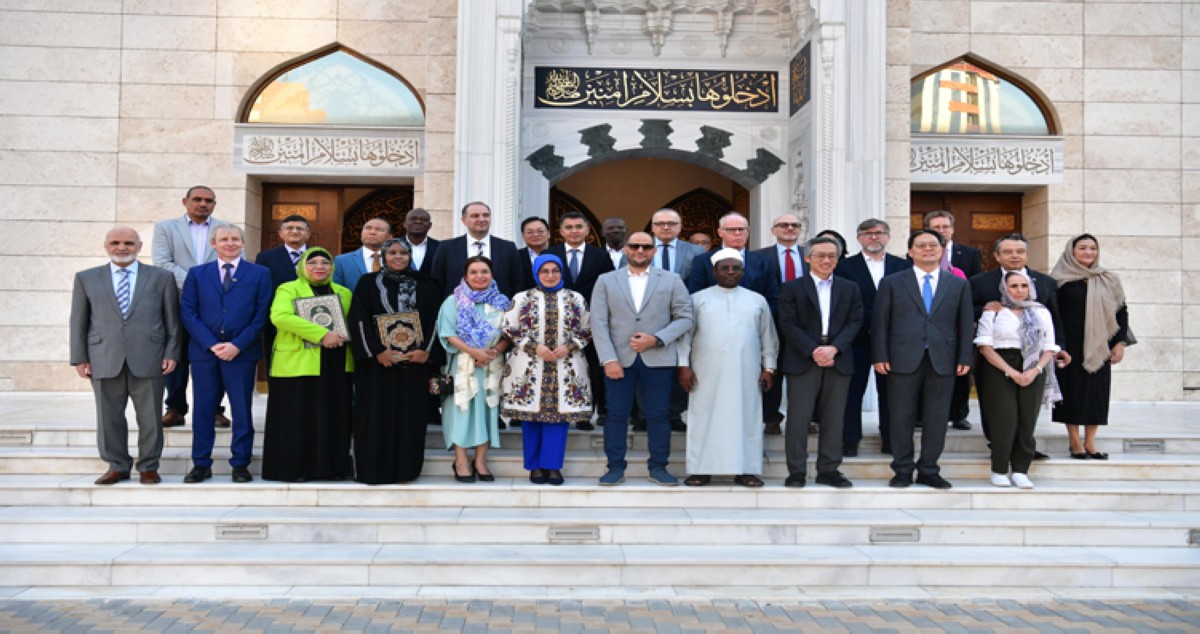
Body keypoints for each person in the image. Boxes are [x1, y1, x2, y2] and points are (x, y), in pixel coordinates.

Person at [70, 227, 181, 486]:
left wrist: (171, 352)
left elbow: (172, 322)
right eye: (116, 243)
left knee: (151, 417)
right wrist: (79, 357)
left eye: (129, 243)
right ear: (106, 245)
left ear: (139, 246)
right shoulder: (86, 278)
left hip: (150, 357)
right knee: (108, 416)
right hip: (103, 357)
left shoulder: (161, 277)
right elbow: (78, 321)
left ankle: (149, 466)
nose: (122, 247)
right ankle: (117, 465)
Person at [873, 229, 973, 490]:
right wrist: (880, 355)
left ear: (941, 250)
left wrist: (965, 357)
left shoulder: (958, 284)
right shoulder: (892, 282)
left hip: (944, 359)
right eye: (921, 245)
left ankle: (929, 468)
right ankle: (903, 469)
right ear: (910, 252)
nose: (928, 249)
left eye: (933, 245)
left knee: (937, 417)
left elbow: (965, 323)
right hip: (901, 358)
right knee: (900, 416)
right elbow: (880, 322)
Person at [591, 232, 694, 486]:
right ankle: (615, 467)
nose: (640, 250)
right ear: (626, 249)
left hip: (658, 358)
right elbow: (598, 322)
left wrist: (656, 339)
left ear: (654, 251)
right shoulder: (606, 280)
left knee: (659, 414)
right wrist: (608, 359)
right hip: (619, 360)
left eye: (646, 246)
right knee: (616, 414)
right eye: (635, 246)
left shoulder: (671, 279)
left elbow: (685, 317)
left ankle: (658, 466)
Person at [179, 225, 272, 483]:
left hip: (241, 353)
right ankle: (201, 463)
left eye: (235, 239)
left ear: (243, 243)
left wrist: (237, 345)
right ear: (213, 244)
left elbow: (261, 314)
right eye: (224, 239)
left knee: (242, 408)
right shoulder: (197, 274)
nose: (229, 243)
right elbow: (188, 312)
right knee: (203, 409)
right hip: (204, 353)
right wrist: (211, 344)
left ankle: (240, 463)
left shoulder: (260, 273)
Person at [677, 248, 778, 488]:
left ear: (743, 272)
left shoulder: (757, 300)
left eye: (735, 268)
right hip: (704, 372)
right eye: (725, 268)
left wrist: (769, 368)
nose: (730, 272)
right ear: (714, 271)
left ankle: (746, 470)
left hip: (747, 372)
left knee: (747, 418)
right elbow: (685, 338)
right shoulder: (697, 299)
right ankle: (701, 469)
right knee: (703, 417)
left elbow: (768, 338)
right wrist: (683, 366)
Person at [349, 238, 442, 484]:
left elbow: (437, 321)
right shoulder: (368, 283)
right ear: (383, 256)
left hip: (414, 366)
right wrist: (377, 351)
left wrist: (426, 352)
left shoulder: (428, 284)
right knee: (375, 418)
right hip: (378, 367)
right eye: (392, 253)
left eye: (403, 253)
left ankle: (406, 470)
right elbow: (359, 319)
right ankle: (373, 471)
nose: (398, 257)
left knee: (409, 418)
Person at [970, 232, 1069, 459]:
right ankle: (998, 444)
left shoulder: (1046, 283)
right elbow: (967, 311)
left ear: (1027, 254)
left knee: (1028, 406)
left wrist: (1059, 346)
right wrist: (985, 308)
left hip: (1034, 355)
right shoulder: (979, 282)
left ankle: (1025, 448)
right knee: (995, 404)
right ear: (997, 256)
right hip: (993, 355)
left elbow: (1054, 316)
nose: (1014, 256)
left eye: (1019, 251)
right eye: (1007, 251)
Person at [262, 247, 354, 482]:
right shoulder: (289, 288)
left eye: (326, 262)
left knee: (331, 417)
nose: (319, 267)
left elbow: (352, 321)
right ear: (303, 266)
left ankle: (330, 468)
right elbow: (280, 316)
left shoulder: (343, 292)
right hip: (297, 363)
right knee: (297, 418)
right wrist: (322, 334)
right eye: (313, 262)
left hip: (335, 362)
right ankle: (294, 469)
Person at [778, 236, 863, 488]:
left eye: (832, 256)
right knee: (798, 418)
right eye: (820, 255)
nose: (827, 260)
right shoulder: (792, 288)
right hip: (803, 359)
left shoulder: (850, 288)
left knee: (834, 418)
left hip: (839, 359)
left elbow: (855, 322)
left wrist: (834, 348)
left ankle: (828, 470)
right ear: (808, 258)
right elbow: (787, 324)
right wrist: (814, 349)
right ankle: (796, 471)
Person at [501, 254, 592, 485]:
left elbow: (587, 328)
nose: (550, 275)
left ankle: (552, 467)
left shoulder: (576, 298)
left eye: (555, 271)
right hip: (529, 365)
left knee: (558, 418)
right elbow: (509, 327)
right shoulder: (521, 298)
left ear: (562, 273)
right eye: (545, 271)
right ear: (536, 273)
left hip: (566, 364)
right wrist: (535, 347)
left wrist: (568, 346)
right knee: (531, 417)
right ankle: (534, 466)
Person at [151, 185, 230, 428]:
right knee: (176, 353)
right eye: (197, 199)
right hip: (176, 300)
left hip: (215, 305)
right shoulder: (166, 227)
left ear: (214, 204)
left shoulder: (225, 229)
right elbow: (163, 262)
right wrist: (197, 284)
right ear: (185, 201)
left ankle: (214, 409)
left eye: (209, 200)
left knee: (213, 354)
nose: (203, 204)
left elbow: (230, 259)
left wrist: (207, 289)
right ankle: (175, 408)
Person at [1050, 234, 1135, 460]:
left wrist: (1120, 343)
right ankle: (1074, 441)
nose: (1088, 252)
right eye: (1082, 248)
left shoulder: (1108, 278)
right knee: (1071, 392)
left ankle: (1090, 442)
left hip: (1101, 345)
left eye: (1092, 248)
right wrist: (1057, 346)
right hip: (1069, 347)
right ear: (1072, 251)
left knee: (1096, 393)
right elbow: (1052, 314)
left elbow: (1121, 311)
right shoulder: (1059, 279)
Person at [975, 271, 1060, 489]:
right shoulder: (993, 311)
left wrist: (1034, 370)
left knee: (1026, 421)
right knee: (1004, 420)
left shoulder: (1040, 311)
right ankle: (1000, 469)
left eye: (1023, 285)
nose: (1019, 290)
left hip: (1034, 365)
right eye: (1014, 286)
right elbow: (985, 347)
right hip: (999, 366)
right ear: (1005, 288)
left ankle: (1021, 470)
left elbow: (1049, 345)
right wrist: (1011, 372)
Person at [836, 219, 908, 457]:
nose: (874, 237)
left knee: (891, 392)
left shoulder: (903, 266)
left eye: (879, 233)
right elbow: (844, 303)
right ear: (859, 238)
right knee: (852, 391)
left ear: (888, 236)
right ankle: (849, 438)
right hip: (857, 338)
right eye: (868, 233)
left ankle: (890, 438)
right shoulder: (844, 266)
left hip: (894, 341)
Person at [438, 256, 512, 483]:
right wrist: (475, 352)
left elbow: (510, 333)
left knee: (487, 412)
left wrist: (495, 351)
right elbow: (448, 333)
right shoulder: (453, 301)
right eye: (474, 272)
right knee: (461, 410)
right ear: (465, 276)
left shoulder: (502, 302)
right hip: (462, 366)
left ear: (492, 275)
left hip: (491, 366)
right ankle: (460, 460)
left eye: (484, 272)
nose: (480, 276)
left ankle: (480, 460)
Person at [547, 211, 614, 430]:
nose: (574, 231)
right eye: (569, 227)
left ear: (587, 230)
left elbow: (608, 288)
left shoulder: (601, 256)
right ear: (561, 231)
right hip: (556, 321)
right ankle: (561, 409)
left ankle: (587, 413)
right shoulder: (551, 253)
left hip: (591, 320)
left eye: (578, 227)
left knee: (591, 368)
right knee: (562, 367)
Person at [924, 211, 983, 431]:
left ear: (952, 229)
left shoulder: (968, 254)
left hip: (957, 323)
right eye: (936, 227)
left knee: (960, 371)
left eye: (945, 227)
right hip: (928, 323)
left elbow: (975, 285)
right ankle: (923, 415)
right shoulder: (918, 252)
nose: (941, 231)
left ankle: (959, 414)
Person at [754, 213, 807, 436]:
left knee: (803, 374)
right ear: (773, 229)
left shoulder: (810, 255)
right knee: (770, 370)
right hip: (772, 321)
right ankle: (771, 418)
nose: (789, 228)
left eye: (794, 225)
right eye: (783, 225)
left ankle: (805, 418)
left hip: (805, 324)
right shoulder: (759, 257)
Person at [687, 213, 779, 314]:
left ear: (747, 232)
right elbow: (695, 296)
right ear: (720, 232)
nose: (737, 233)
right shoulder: (703, 261)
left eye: (741, 229)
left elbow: (772, 298)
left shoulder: (763, 261)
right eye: (731, 230)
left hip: (753, 322)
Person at [430, 201, 523, 298]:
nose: (482, 219)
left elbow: (517, 283)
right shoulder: (446, 248)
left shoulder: (508, 248)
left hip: (500, 309)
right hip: (457, 309)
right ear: (464, 220)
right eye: (475, 216)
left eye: (486, 215)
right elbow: (436, 283)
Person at [255, 214, 311, 362]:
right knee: (276, 361)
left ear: (308, 234)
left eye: (300, 228)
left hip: (311, 317)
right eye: (289, 228)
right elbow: (261, 289)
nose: (294, 231)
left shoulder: (318, 255)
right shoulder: (266, 257)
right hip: (277, 318)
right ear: (281, 233)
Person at [333, 217, 392, 291]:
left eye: (378, 229)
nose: (372, 232)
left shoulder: (398, 260)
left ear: (389, 237)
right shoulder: (342, 261)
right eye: (368, 228)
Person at [517, 217, 552, 292]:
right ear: (523, 236)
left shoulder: (558, 254)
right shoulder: (515, 256)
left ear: (548, 234)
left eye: (540, 231)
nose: (535, 235)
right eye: (530, 232)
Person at [401, 208, 440, 276]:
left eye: (423, 220)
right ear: (404, 223)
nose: (418, 222)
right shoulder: (392, 245)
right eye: (413, 219)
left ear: (430, 225)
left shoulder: (440, 247)